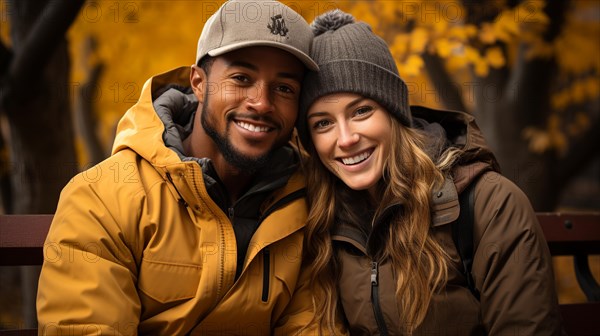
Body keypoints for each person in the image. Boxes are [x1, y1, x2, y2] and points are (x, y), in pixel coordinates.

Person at [36, 1, 344, 334]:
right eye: (241, 78)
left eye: (284, 88)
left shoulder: (305, 205)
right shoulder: (102, 197)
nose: (262, 103)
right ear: (198, 82)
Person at [296, 10, 565, 336]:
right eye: (322, 123)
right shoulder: (321, 219)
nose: (346, 138)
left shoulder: (488, 204)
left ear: (394, 113)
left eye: (362, 111)